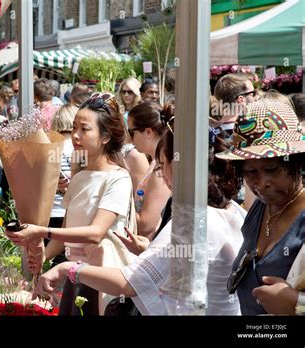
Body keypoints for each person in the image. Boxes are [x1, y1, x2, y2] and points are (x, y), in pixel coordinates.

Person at [33, 118, 246, 316]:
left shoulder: (193, 221)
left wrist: (68, 268)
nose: (163, 178)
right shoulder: (234, 210)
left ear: (180, 164)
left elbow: (127, 283)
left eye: (162, 166)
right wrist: (150, 250)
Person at [6, 93, 133, 315]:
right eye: (74, 128)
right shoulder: (81, 176)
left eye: (85, 129)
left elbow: (95, 233)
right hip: (76, 276)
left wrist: (42, 231)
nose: (75, 135)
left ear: (105, 137)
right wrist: (44, 254)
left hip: (103, 279)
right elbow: (67, 229)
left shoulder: (118, 178)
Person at [216, 99, 304, 315]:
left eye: (272, 169)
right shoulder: (259, 208)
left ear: (296, 162)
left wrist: (297, 305)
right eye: (250, 172)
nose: (261, 183)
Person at [126, 101, 172, 239]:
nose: (128, 138)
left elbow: (147, 225)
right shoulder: (155, 163)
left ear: (148, 132)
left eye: (131, 132)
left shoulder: (160, 170)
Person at [46, 104, 78, 268]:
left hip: (50, 211)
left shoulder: (51, 148)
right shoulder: (78, 149)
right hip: (69, 212)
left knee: (50, 261)